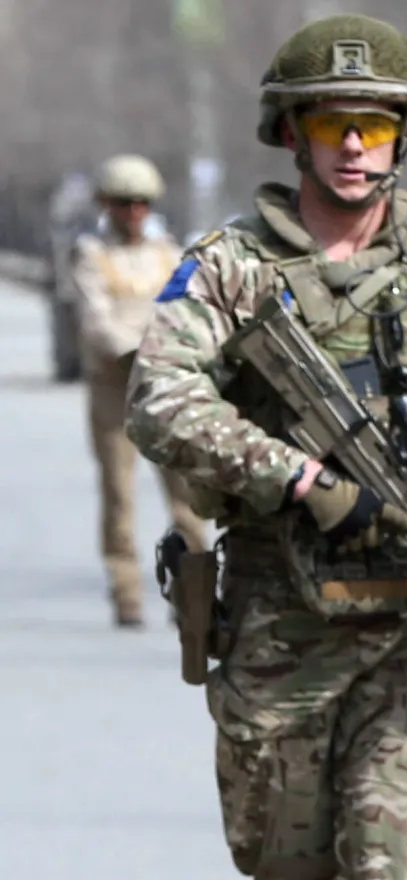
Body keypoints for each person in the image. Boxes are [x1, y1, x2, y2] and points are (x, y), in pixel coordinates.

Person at [123, 14, 407, 880]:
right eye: (331, 125)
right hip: (283, 634)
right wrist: (303, 481)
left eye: (376, 125)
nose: (355, 146)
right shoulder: (227, 271)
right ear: (290, 132)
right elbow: (158, 396)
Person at [73, 154, 207, 628]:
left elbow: (187, 308)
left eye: (140, 203)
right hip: (115, 387)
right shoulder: (92, 254)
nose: (133, 212)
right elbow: (96, 319)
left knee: (186, 493)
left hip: (164, 385)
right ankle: (126, 590)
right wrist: (136, 350)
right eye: (123, 203)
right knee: (119, 493)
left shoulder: (168, 253)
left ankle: (192, 589)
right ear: (106, 206)